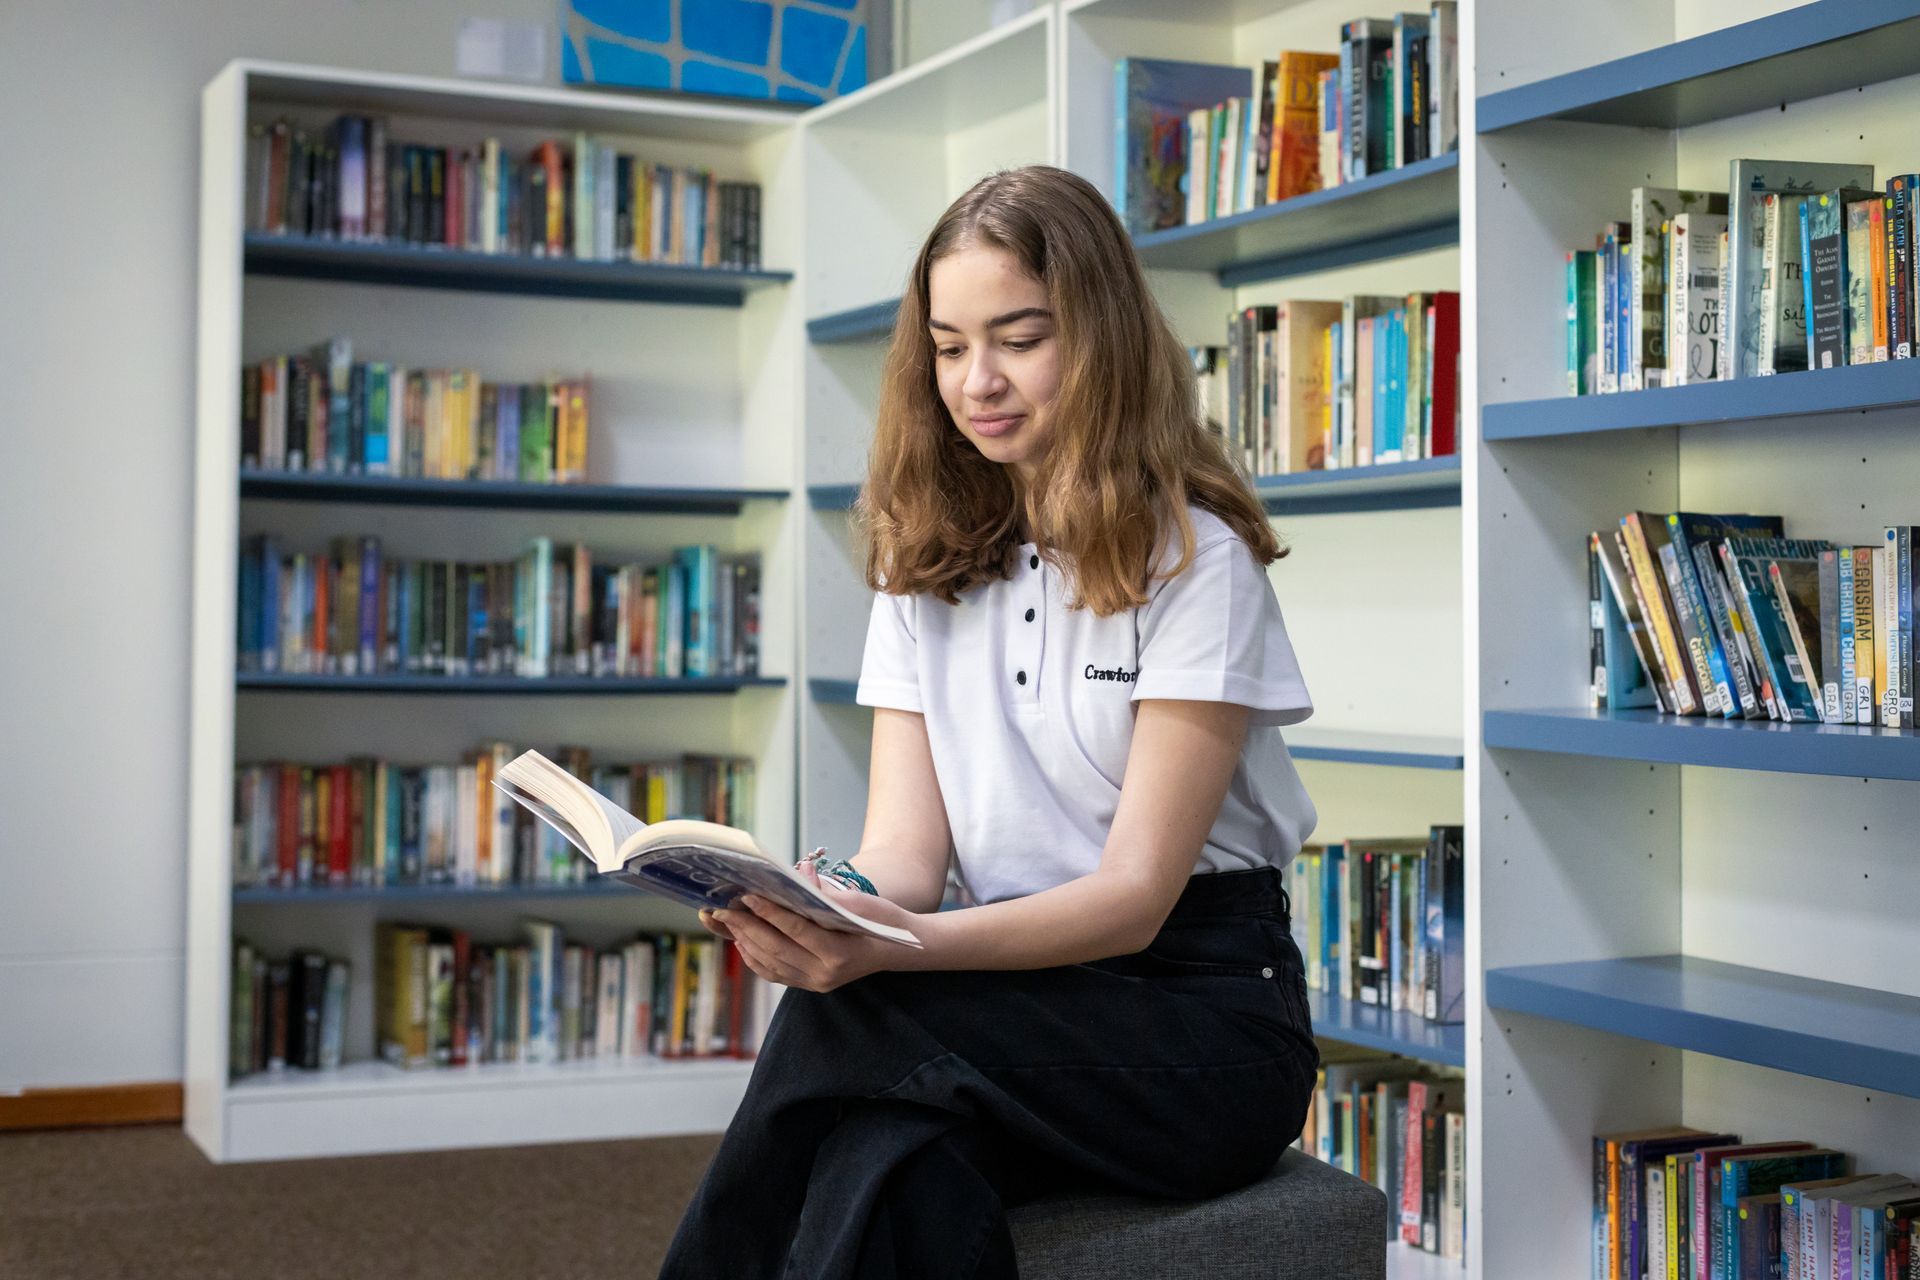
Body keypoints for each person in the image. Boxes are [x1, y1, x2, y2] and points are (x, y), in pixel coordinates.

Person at [658, 164, 1320, 1280]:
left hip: (1202, 1023)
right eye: (950, 345)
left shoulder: (1199, 559)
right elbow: (908, 859)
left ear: (1103, 336)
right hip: (1009, 1004)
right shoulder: (923, 563)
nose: (979, 380)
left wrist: (894, 952)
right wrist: (828, 905)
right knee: (893, 1162)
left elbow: (1130, 899)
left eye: (1018, 337)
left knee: (850, 1022)